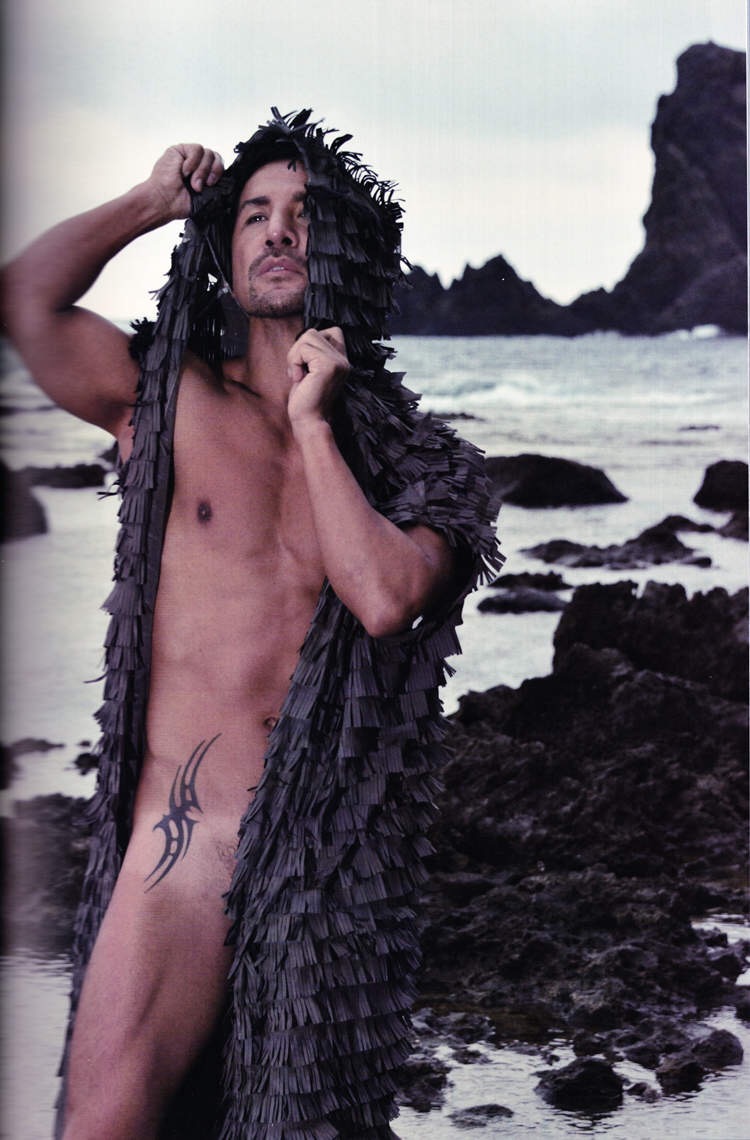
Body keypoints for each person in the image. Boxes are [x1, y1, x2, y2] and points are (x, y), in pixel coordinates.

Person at [2, 109, 501, 1139]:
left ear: (352, 247)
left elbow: (386, 597)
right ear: (224, 251)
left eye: (306, 214)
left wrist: (315, 425)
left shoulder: (422, 466)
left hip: (330, 876)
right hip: (182, 844)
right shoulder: (162, 397)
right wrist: (150, 201)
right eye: (256, 214)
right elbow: (25, 301)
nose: (279, 232)